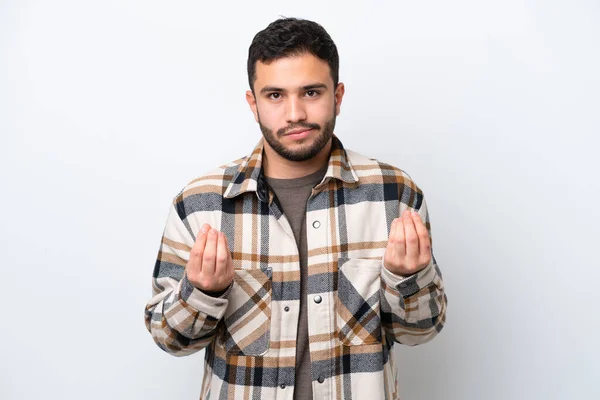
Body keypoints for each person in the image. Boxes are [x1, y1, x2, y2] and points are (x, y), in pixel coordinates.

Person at [145, 17, 447, 400]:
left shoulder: (395, 196)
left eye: (310, 93)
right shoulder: (201, 204)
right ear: (253, 103)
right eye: (275, 96)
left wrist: (409, 279)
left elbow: (421, 331)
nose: (294, 114)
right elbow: (170, 340)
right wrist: (202, 292)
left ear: (337, 96)